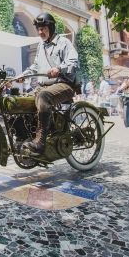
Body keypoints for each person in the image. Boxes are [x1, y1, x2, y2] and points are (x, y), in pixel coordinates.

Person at [19, 12, 79, 155]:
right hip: (44, 86)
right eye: (38, 29)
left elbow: (74, 62)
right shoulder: (41, 46)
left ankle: (40, 142)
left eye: (43, 28)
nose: (40, 32)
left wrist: (59, 68)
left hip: (64, 84)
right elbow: (35, 66)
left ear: (51, 27)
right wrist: (22, 75)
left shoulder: (63, 42)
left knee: (44, 97)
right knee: (19, 102)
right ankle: (23, 138)